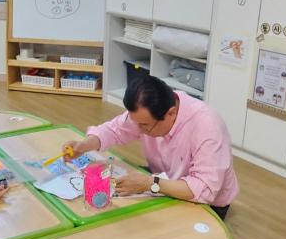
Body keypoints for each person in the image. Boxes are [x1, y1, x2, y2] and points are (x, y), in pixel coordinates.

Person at [64, 76, 238, 220]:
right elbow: (114, 130)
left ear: (171, 113)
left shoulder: (206, 126)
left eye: (145, 126)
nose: (139, 130)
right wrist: (84, 145)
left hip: (206, 202)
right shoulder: (149, 109)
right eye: (136, 123)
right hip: (163, 179)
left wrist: (149, 183)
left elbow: (204, 190)